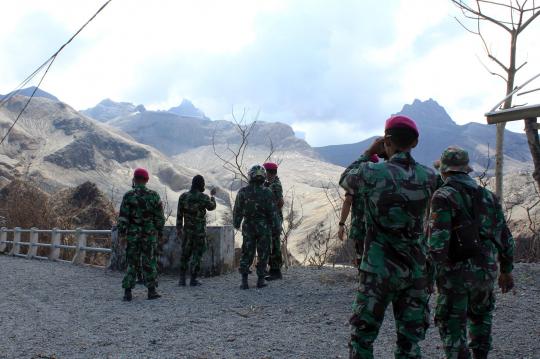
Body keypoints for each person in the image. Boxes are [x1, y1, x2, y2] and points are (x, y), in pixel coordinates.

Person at [339, 115, 438, 359]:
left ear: (387, 141)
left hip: (377, 269)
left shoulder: (372, 172)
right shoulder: (429, 177)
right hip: (414, 269)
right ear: (415, 143)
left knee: (362, 337)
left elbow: (345, 179)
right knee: (409, 341)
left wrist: (368, 151)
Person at [428, 146, 515, 359]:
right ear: (467, 170)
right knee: (481, 320)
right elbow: (505, 236)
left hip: (454, 276)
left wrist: (427, 276)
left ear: (445, 171)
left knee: (452, 326)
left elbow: (438, 243)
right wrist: (506, 270)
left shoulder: (442, 196)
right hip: (486, 272)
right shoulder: (488, 196)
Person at [117, 168, 165, 301]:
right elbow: (160, 218)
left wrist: (122, 235)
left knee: (132, 262)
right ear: (147, 180)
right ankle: (151, 291)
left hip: (133, 235)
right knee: (149, 261)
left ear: (134, 179)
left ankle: (127, 292)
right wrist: (159, 233)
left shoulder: (128, 196)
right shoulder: (154, 195)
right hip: (149, 235)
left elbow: (123, 218)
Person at [233, 165, 279, 289]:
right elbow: (273, 212)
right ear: (263, 176)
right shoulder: (267, 192)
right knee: (263, 253)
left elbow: (237, 211)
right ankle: (260, 280)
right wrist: (276, 227)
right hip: (264, 228)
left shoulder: (243, 192)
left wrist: (236, 223)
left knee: (247, 252)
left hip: (248, 227)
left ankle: (244, 281)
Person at [338, 154, 379, 272]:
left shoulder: (356, 182)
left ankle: (364, 281)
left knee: (361, 256)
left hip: (360, 227)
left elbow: (348, 201)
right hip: (377, 227)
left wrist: (341, 224)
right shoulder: (381, 180)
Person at [176, 175, 217, 286]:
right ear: (201, 185)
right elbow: (212, 207)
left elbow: (179, 215)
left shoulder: (183, 196)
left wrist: (179, 228)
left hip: (187, 231)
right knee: (197, 254)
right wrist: (212, 196)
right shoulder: (203, 197)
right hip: (199, 232)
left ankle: (182, 279)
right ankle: (193, 279)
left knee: (185, 254)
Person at [263, 162, 285, 280]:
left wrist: (273, 210)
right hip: (272, 219)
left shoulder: (275, 185)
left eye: (265, 172)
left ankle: (276, 271)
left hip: (274, 220)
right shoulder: (271, 183)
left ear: (269, 172)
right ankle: (272, 269)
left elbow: (280, 202)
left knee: (274, 244)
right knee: (271, 244)